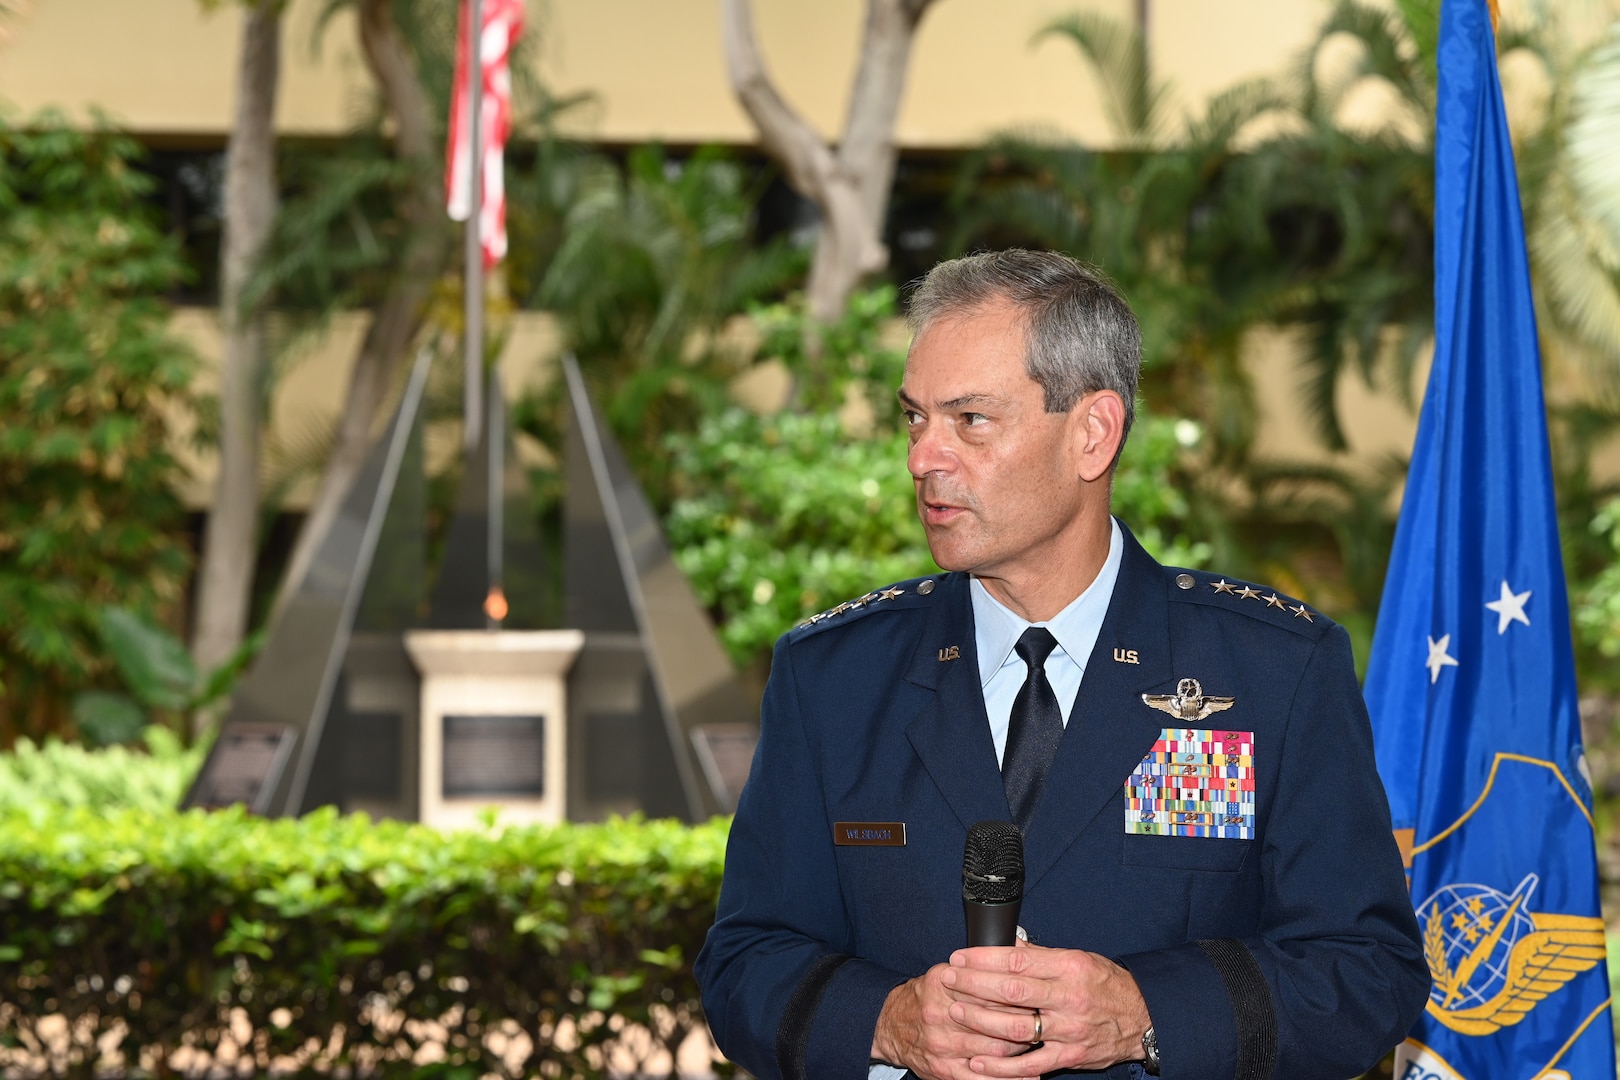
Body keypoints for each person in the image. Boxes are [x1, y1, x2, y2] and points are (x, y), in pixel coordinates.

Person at [694, 249, 1429, 1080]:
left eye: (970, 420)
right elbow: (745, 960)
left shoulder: (1275, 670)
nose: (921, 458)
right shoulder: (832, 677)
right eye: (914, 418)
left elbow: (1369, 970)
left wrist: (1146, 1014)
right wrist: (889, 1023)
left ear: (1093, 433)